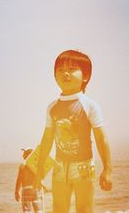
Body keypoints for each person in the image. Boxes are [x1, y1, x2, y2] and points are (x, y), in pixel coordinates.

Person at [35, 50, 112, 213]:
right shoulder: (52, 107)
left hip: (83, 167)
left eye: (71, 69)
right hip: (60, 167)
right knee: (58, 209)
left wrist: (107, 169)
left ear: (85, 76)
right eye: (61, 70)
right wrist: (40, 166)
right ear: (55, 76)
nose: (66, 74)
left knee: (84, 209)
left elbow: (101, 139)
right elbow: (47, 139)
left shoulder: (90, 105)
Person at [15, 148, 42, 213]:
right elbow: (40, 179)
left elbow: (19, 179)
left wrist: (16, 191)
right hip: (36, 190)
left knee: (27, 210)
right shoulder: (37, 166)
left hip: (26, 190)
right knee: (38, 210)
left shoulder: (23, 166)